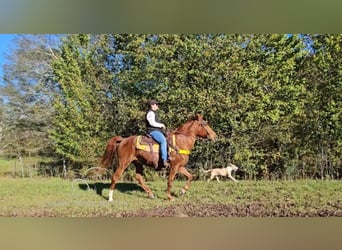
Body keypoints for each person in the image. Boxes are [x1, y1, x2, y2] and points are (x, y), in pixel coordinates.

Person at [146, 99, 170, 168]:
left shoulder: (154, 113)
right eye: (156, 104)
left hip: (157, 131)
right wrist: (161, 125)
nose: (157, 105)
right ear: (152, 105)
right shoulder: (150, 113)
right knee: (163, 141)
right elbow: (152, 123)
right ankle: (164, 160)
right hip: (152, 131)